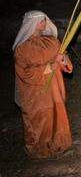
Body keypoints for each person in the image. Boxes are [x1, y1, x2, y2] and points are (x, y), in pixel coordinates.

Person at [13, 10, 73, 158]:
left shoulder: (52, 41)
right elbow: (23, 72)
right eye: (41, 21)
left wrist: (63, 59)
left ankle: (59, 143)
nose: (45, 23)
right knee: (40, 118)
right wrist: (48, 68)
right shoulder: (22, 48)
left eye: (45, 20)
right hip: (35, 92)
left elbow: (64, 62)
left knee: (56, 114)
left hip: (54, 87)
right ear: (32, 24)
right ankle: (40, 148)